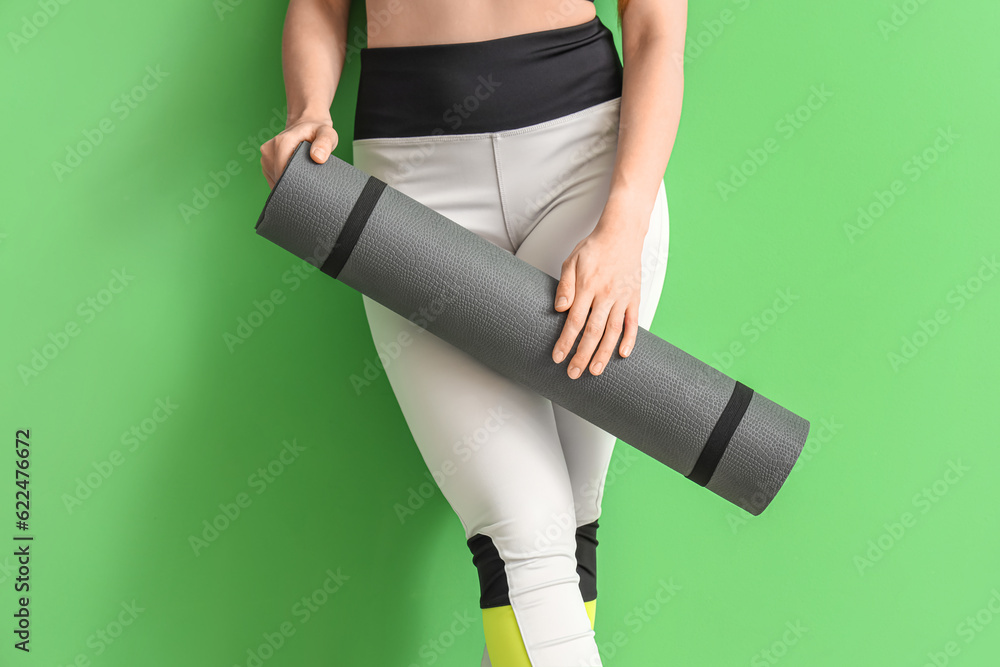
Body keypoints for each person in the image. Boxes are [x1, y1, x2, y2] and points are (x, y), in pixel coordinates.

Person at [260, 1, 686, 664]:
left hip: (589, 172)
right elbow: (319, 6)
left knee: (566, 528)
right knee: (523, 530)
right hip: (412, 188)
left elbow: (657, 27)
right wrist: (307, 110)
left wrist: (623, 229)